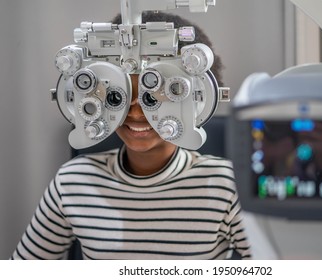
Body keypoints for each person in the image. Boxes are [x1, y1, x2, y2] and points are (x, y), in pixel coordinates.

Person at [10, 11, 252, 260]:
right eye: (118, 97)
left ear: (195, 96)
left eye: (155, 97)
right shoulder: (72, 181)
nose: (136, 112)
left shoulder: (227, 186)